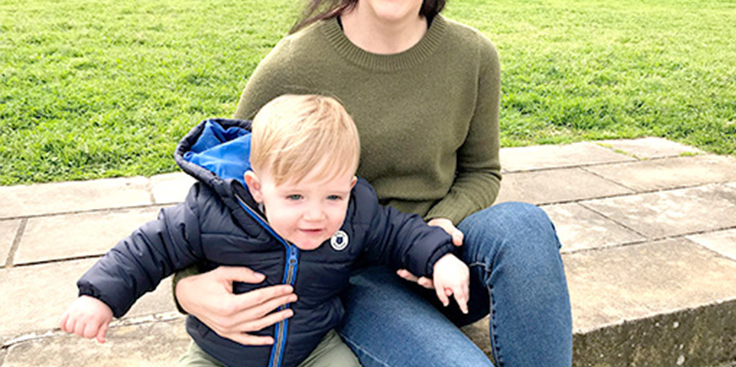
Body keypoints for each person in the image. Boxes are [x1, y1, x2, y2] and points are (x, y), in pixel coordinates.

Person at [174, 0, 574, 365]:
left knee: (524, 226)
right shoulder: (294, 65)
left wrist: (439, 228)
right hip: (351, 276)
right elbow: (226, 185)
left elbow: (481, 172)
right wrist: (187, 288)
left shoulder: (474, 57)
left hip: (446, 262)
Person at [60, 94, 471, 367]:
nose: (316, 216)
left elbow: (399, 233)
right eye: (295, 198)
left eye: (332, 197)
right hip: (219, 354)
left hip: (313, 350)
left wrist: (440, 258)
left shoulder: (358, 210)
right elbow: (148, 248)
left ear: (349, 186)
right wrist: (100, 297)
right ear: (258, 187)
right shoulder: (213, 212)